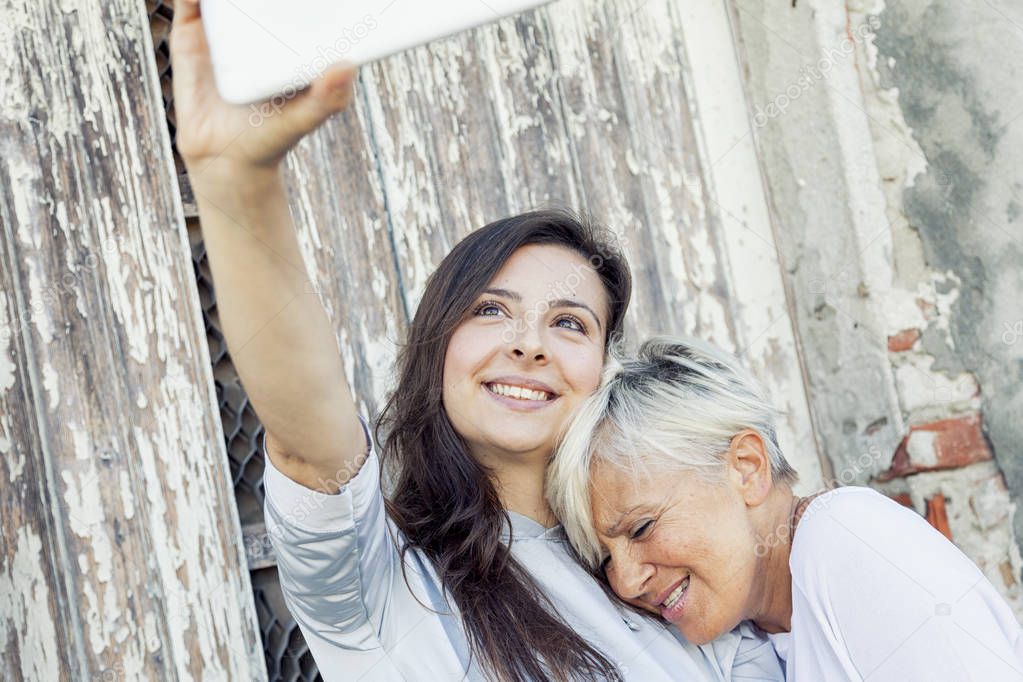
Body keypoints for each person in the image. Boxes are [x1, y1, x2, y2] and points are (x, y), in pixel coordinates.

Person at [169, 2, 784, 680]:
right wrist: (237, 185)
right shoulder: (382, 584)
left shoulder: (662, 570)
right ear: (437, 346)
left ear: (603, 368)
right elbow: (308, 443)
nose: (528, 345)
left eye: (569, 322)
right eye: (491, 312)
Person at [547, 335, 1023, 681]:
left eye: (641, 527)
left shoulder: (849, 542)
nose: (627, 581)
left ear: (747, 468)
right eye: (606, 557)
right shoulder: (756, 635)